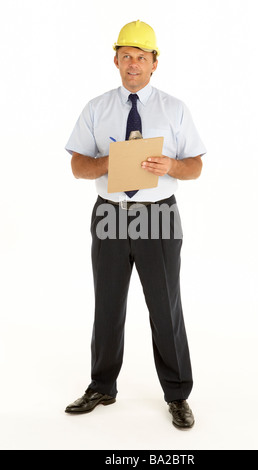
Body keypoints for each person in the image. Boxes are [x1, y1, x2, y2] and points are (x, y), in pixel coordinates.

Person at [64, 20, 206, 429]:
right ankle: (102, 386)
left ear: (154, 63)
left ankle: (177, 394)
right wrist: (108, 161)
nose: (132, 64)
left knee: (166, 307)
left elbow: (195, 166)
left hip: (157, 213)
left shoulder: (174, 109)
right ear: (115, 59)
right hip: (109, 214)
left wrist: (173, 165)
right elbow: (77, 166)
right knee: (107, 305)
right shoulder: (97, 108)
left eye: (141, 57)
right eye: (126, 56)